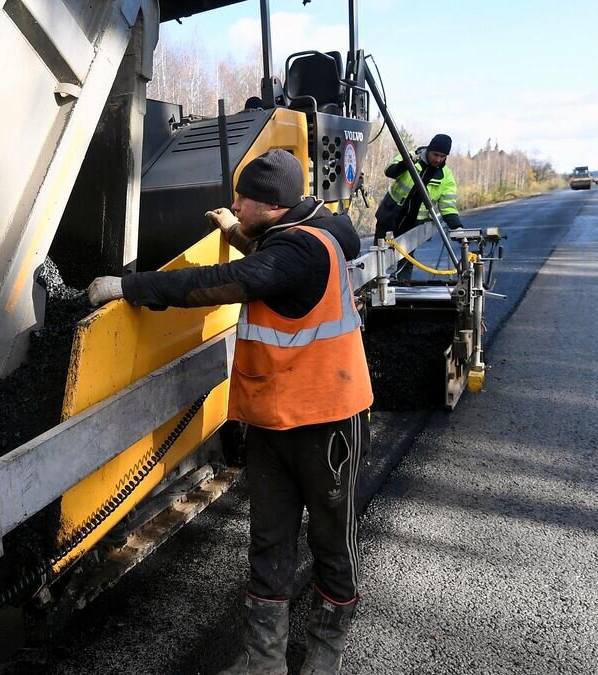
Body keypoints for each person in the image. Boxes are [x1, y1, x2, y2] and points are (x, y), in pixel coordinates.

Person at [87, 149, 373, 675]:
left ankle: (325, 652)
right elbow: (267, 255)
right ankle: (264, 663)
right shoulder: (304, 227)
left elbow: (223, 281)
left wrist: (128, 287)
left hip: (327, 424)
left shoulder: (300, 254)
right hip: (271, 421)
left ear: (273, 207)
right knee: (268, 542)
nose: (233, 203)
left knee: (332, 542)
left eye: (244, 199)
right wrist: (240, 230)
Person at [373, 133, 461, 244]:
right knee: (380, 256)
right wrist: (405, 163)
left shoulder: (446, 177)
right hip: (389, 217)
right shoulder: (409, 157)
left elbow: (448, 207)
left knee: (405, 259)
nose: (438, 159)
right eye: (435, 154)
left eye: (442, 156)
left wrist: (457, 227)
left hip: (412, 227)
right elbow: (389, 171)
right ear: (429, 150)